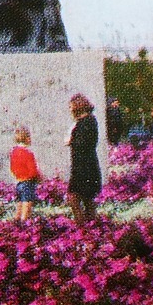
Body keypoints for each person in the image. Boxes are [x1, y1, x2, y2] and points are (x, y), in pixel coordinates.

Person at [66, 93, 102, 222]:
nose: (70, 110)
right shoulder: (89, 121)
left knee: (74, 198)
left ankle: (82, 226)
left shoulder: (86, 122)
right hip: (86, 165)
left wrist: (71, 141)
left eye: (71, 107)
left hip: (83, 167)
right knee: (87, 199)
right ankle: (91, 226)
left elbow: (84, 144)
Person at [9, 126, 40, 222]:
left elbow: (12, 168)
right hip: (28, 182)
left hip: (19, 182)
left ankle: (16, 222)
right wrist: (38, 177)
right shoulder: (28, 153)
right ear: (26, 138)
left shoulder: (14, 152)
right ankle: (24, 223)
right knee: (27, 204)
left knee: (20, 203)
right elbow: (32, 170)